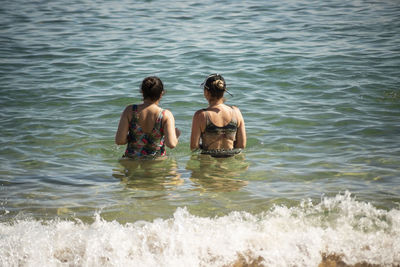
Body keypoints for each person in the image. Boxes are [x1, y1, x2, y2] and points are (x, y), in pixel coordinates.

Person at [115, 76, 180, 158]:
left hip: (132, 160)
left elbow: (119, 141)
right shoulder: (165, 115)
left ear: (142, 92)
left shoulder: (130, 111)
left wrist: (133, 138)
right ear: (161, 93)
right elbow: (171, 144)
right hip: (156, 163)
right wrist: (176, 135)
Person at [190, 74, 246, 157]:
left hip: (209, 164)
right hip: (230, 164)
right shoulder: (236, 112)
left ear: (206, 92)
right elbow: (242, 145)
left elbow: (194, 147)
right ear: (224, 91)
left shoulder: (201, 115)